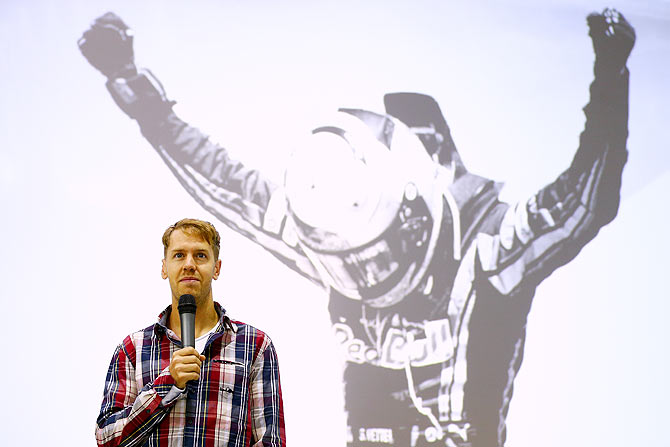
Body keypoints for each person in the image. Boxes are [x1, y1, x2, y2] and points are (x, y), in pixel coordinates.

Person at [80, 9, 634, 447]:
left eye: (376, 256)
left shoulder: (488, 244)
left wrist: (610, 76)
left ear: (413, 212)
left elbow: (582, 202)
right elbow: (224, 183)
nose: (364, 278)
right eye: (349, 262)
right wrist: (131, 87)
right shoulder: (324, 239)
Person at [95, 218, 285, 447]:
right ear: (164, 268)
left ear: (217, 268)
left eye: (200, 255)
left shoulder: (255, 345)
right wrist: (167, 384)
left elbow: (270, 441)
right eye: (179, 255)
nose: (189, 264)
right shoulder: (133, 348)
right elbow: (106, 439)